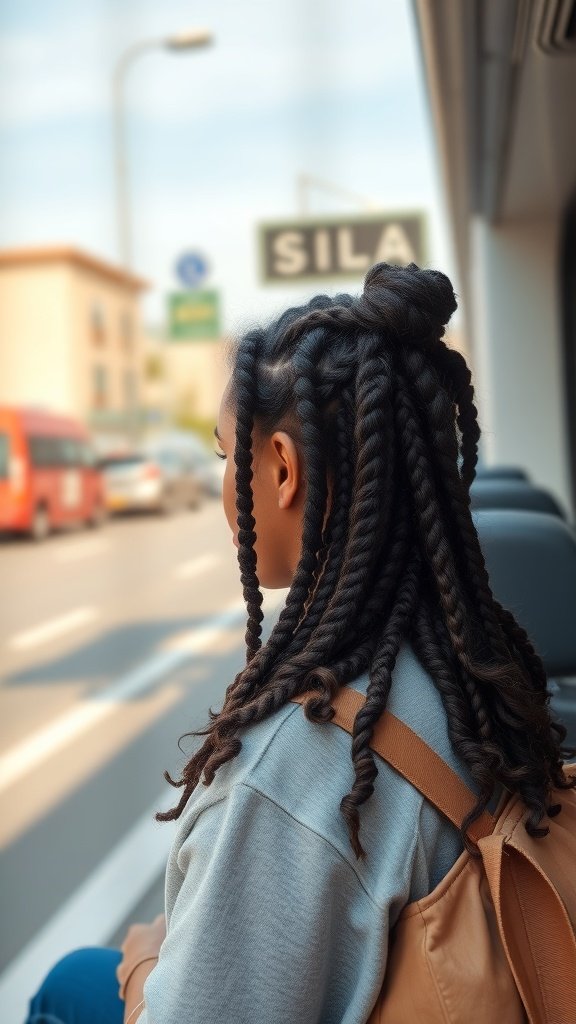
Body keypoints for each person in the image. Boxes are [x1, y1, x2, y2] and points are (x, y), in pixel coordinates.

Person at [26, 262, 568, 1024]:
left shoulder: (294, 768)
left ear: (283, 469)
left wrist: (147, 962)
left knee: (72, 984)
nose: (224, 486)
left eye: (225, 456)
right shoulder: (482, 669)